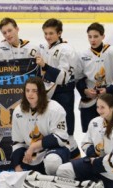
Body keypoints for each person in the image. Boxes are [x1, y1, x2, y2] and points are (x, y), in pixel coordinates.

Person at [37, 18, 80, 159]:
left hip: (63, 94)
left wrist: (45, 66)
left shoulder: (66, 50)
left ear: (59, 33)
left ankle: (77, 165)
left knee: (66, 133)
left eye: (51, 33)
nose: (48, 37)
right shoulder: (43, 47)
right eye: (45, 33)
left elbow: (63, 78)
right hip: (48, 94)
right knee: (51, 131)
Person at [11, 77, 70, 175]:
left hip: (55, 150)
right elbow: (18, 142)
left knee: (52, 161)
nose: (30, 94)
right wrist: (17, 166)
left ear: (41, 92)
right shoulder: (18, 111)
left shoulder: (55, 108)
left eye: (34, 91)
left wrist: (34, 146)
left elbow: (61, 138)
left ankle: (56, 184)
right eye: (28, 90)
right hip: (31, 154)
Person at [76, 22, 113, 133]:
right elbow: (78, 78)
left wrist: (108, 90)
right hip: (89, 102)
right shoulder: (82, 55)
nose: (93, 40)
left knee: (112, 133)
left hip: (109, 100)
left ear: (103, 36)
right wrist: (84, 90)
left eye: (96, 36)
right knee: (91, 134)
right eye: (90, 37)